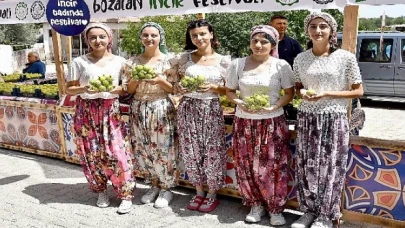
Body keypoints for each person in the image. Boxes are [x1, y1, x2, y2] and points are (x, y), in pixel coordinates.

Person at [291, 12, 363, 228]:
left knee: (331, 166)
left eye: (323, 26)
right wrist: (302, 92)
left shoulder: (345, 58)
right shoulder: (300, 58)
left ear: (332, 30)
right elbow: (297, 86)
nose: (318, 30)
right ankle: (308, 211)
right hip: (306, 118)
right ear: (307, 30)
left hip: (334, 118)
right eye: (313, 26)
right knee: (306, 165)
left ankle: (326, 215)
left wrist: (328, 94)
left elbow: (358, 90)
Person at [226, 25, 294, 226]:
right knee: (246, 164)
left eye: (264, 41)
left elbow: (289, 94)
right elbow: (230, 91)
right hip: (244, 121)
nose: (258, 45)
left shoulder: (281, 66)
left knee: (273, 165)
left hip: (272, 121)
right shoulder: (237, 65)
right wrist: (239, 103)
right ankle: (255, 204)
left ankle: (275, 208)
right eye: (254, 40)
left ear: (273, 44)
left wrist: (274, 106)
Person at [66, 23, 136, 214]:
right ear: (87, 41)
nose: (98, 41)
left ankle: (125, 194)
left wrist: (117, 90)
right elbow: (69, 89)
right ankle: (101, 190)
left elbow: (126, 88)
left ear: (109, 39)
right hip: (86, 110)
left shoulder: (121, 61)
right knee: (92, 154)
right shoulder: (79, 62)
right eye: (93, 37)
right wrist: (83, 89)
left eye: (101, 36)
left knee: (117, 152)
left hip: (109, 110)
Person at [176, 19, 231, 213]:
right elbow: (175, 84)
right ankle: (198, 191)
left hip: (211, 107)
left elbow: (230, 91)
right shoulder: (184, 59)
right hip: (188, 107)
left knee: (212, 151)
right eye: (194, 35)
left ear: (211, 34)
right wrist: (180, 87)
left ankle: (212, 193)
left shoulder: (225, 61)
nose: (198, 38)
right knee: (191, 150)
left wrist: (215, 88)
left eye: (202, 34)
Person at [123, 22, 177, 209]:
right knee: (143, 148)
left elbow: (174, 89)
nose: (149, 38)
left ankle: (166, 188)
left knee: (163, 148)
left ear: (160, 37)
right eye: (145, 35)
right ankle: (153, 184)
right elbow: (127, 90)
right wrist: (136, 79)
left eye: (153, 35)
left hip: (161, 106)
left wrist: (160, 80)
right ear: (141, 38)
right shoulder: (132, 62)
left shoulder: (170, 61)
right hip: (138, 107)